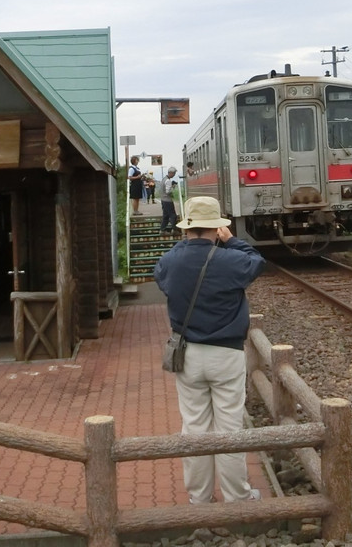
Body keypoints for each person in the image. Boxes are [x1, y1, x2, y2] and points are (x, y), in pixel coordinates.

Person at [153, 196, 266, 504]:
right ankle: (237, 496)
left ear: (186, 228)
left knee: (194, 428)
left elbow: (162, 271)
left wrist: (186, 244)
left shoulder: (170, 262)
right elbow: (257, 262)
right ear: (217, 228)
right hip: (227, 354)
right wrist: (230, 241)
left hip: (187, 355)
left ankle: (199, 498)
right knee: (229, 427)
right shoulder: (231, 260)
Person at [159, 167, 179, 233]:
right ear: (171, 173)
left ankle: (162, 229)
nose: (174, 175)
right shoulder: (168, 181)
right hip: (168, 200)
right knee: (173, 215)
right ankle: (174, 229)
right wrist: (172, 188)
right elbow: (168, 191)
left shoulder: (163, 179)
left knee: (165, 215)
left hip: (163, 200)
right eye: (174, 173)